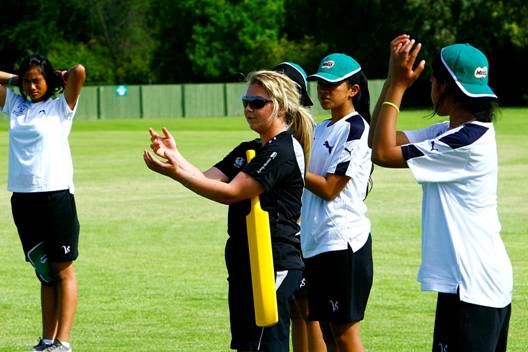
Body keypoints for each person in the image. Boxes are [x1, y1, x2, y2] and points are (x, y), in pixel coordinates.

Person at [143, 70, 315, 351]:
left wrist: (176, 173)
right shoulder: (251, 148)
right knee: (248, 345)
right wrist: (176, 157)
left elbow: (232, 194)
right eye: (246, 101)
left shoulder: (281, 151)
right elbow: (208, 179)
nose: (249, 108)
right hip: (245, 260)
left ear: (281, 107)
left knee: (267, 346)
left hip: (272, 262)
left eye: (257, 103)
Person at [369, 35, 513, 352]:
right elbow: (378, 140)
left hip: (474, 286)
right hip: (469, 283)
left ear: (445, 88)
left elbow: (381, 152)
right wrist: (392, 81)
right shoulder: (457, 131)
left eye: (433, 80)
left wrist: (397, 85)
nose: (430, 86)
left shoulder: (465, 142)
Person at [0, 55, 86, 352]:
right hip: (22, 199)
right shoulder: (15, 104)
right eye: (28, 81)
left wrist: (59, 73)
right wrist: (16, 78)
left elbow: (79, 71)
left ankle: (63, 342)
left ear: (49, 81)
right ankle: (47, 341)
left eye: (37, 80)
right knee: (45, 273)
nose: (32, 86)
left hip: (56, 196)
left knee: (63, 270)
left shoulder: (61, 108)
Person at [300, 53, 373, 352]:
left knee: (343, 335)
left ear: (353, 89)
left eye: (332, 84)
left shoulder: (356, 128)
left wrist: (293, 166)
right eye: (320, 84)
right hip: (317, 243)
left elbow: (330, 188)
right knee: (329, 336)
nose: (323, 90)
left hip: (342, 244)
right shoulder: (319, 129)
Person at [272, 62, 327, 352]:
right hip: (293, 231)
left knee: (309, 310)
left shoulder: (305, 135)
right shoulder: (279, 135)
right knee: (298, 308)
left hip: (305, 230)